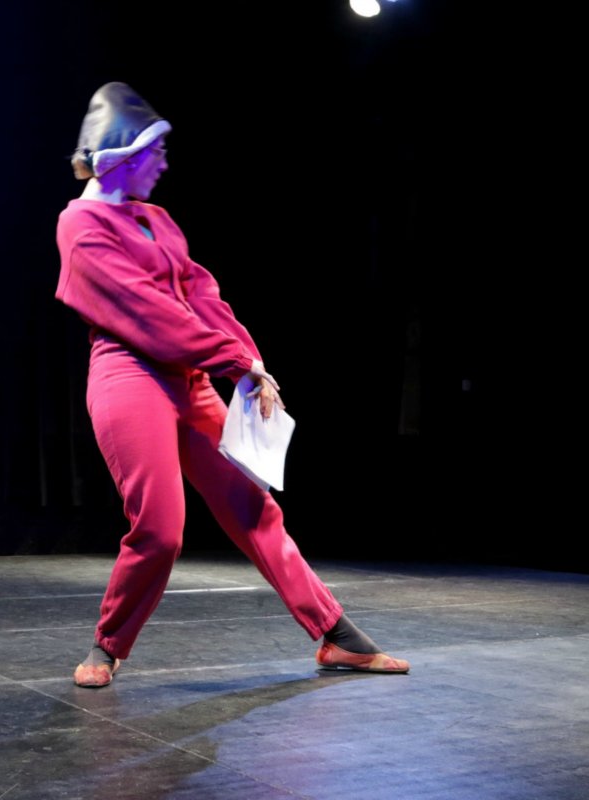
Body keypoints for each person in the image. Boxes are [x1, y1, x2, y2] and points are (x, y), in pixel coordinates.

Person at [54, 82, 410, 688]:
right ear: (124, 153)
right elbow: (148, 313)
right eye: (156, 152)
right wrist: (232, 360)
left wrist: (250, 360)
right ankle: (108, 643)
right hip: (129, 374)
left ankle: (336, 635)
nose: (164, 164)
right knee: (160, 529)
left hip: (189, 379)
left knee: (252, 504)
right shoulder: (80, 224)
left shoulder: (158, 221)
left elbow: (201, 294)